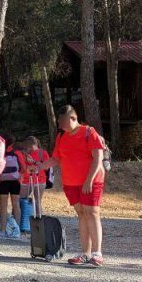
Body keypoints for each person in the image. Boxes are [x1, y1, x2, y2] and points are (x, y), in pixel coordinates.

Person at [36, 104, 107, 267]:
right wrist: (40, 167)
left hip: (91, 181)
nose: (60, 124)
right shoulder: (61, 137)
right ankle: (85, 253)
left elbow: (98, 159)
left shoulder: (89, 132)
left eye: (63, 121)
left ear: (73, 118)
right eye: (59, 121)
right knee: (82, 214)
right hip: (71, 183)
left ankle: (97, 254)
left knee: (92, 212)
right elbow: (56, 159)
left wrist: (89, 180)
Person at [0, 132, 21, 237]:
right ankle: (17, 230)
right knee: (16, 204)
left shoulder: (0, 154)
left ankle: (2, 230)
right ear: (12, 143)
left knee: (3, 206)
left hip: (3, 182)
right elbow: (23, 169)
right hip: (15, 182)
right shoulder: (17, 154)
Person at [18, 136, 49, 201]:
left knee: (37, 202)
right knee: (22, 201)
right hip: (26, 181)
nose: (26, 147)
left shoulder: (43, 153)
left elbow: (47, 167)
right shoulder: (24, 153)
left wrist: (34, 162)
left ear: (32, 145)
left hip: (40, 181)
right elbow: (21, 167)